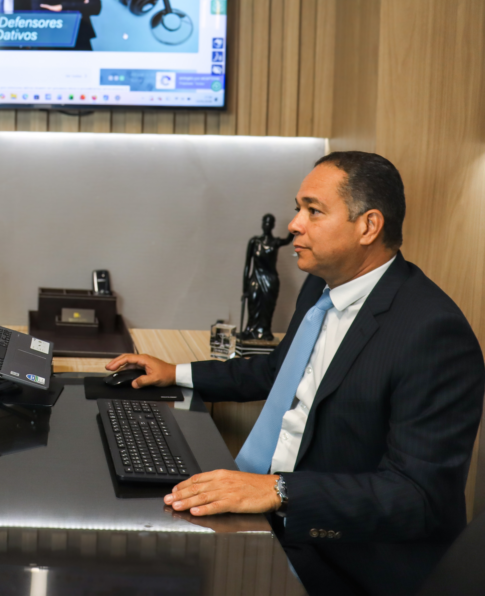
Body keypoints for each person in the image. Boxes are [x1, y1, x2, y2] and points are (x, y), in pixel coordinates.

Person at [106, 151, 484, 596]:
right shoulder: (321, 284)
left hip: (341, 558)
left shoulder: (433, 332)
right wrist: (177, 372)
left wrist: (279, 491)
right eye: (297, 208)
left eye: (313, 211)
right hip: (270, 514)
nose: (294, 225)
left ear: (368, 226)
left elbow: (418, 498)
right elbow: (278, 371)